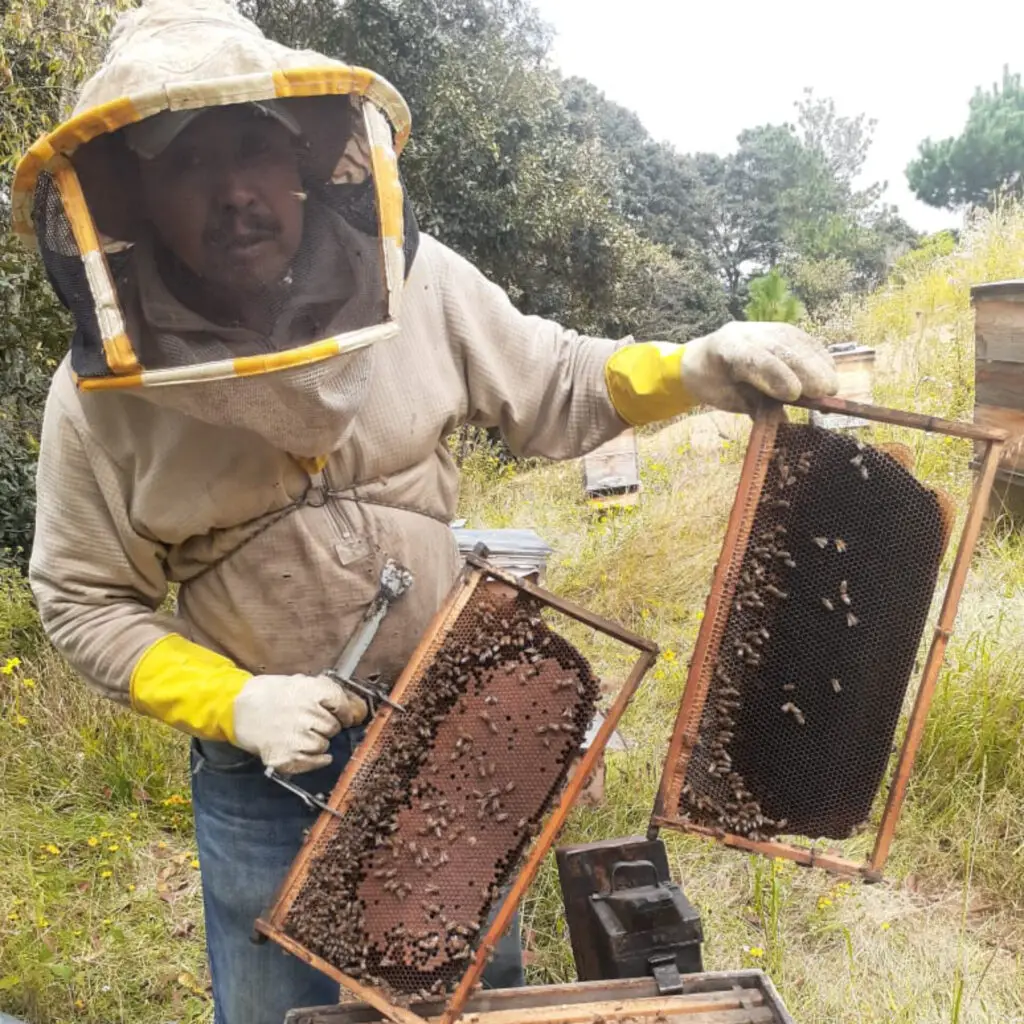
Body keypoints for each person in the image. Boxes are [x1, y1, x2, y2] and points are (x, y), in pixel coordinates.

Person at [14, 1, 838, 1022]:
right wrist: (234, 702)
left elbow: (552, 379)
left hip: (454, 732)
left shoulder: (414, 280)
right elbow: (82, 598)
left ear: (303, 158)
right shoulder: (100, 392)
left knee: (468, 1000)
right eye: (187, 164)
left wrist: (688, 367)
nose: (233, 193)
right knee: (278, 1013)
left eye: (252, 149)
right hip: (268, 779)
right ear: (133, 195)